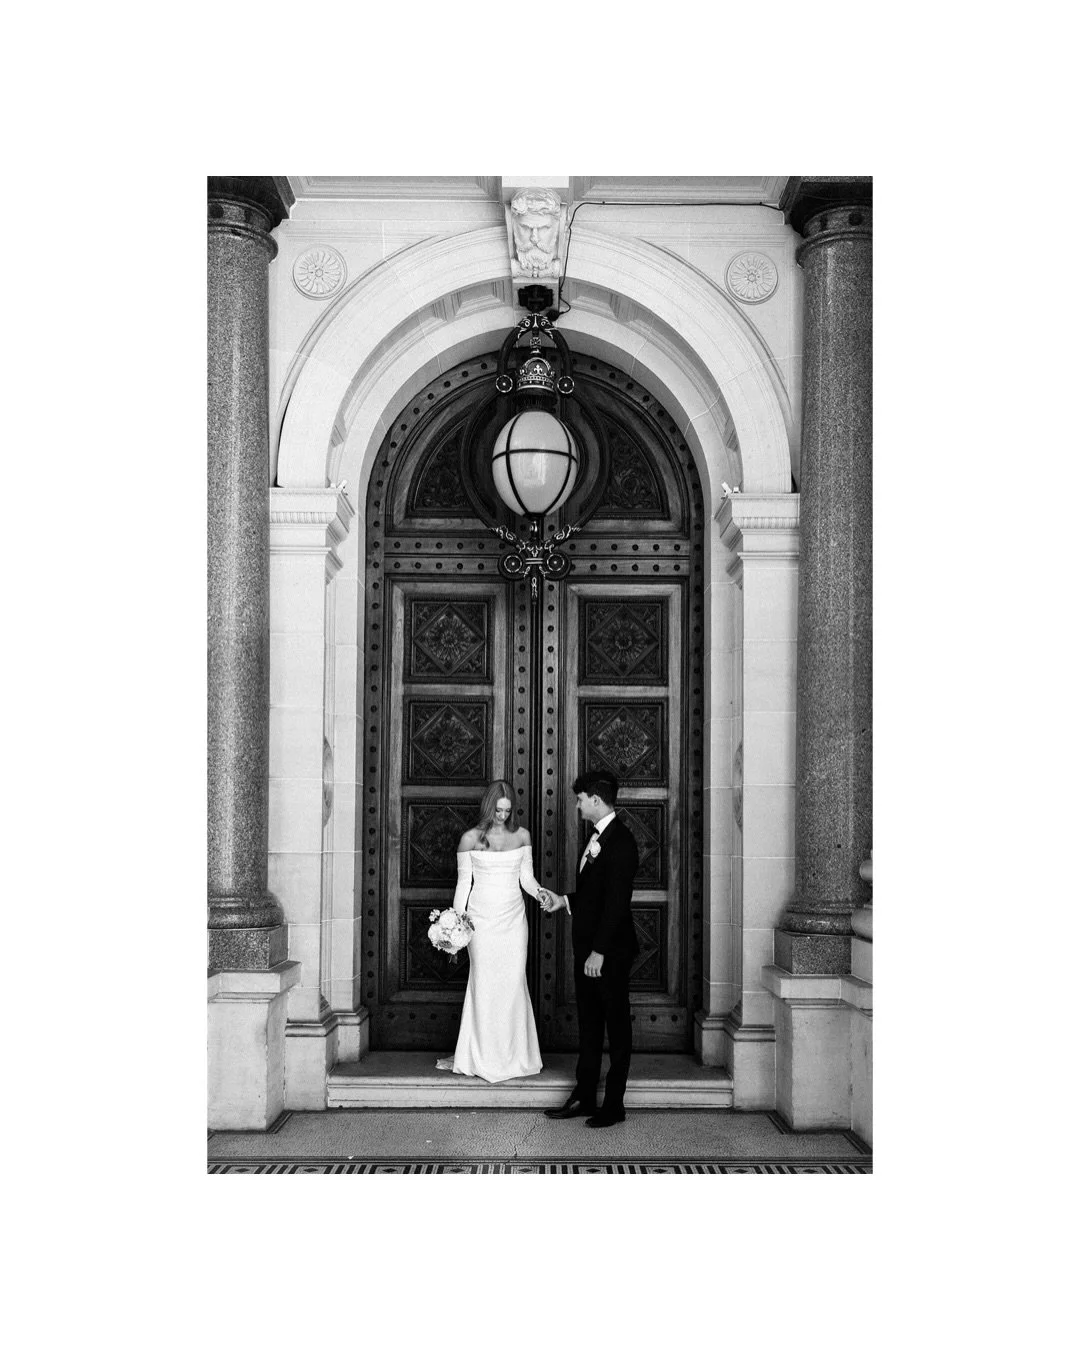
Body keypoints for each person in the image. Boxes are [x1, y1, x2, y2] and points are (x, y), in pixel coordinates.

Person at [539, 771, 639, 1128]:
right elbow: (594, 896)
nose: (578, 806)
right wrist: (563, 901)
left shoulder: (622, 842)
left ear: (596, 800)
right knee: (590, 1024)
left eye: (580, 800)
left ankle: (613, 1105)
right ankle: (584, 1096)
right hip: (589, 951)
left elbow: (616, 903)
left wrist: (599, 952)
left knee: (617, 1028)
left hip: (609, 953)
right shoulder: (595, 837)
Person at [435, 781, 544, 1083]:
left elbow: (526, 878)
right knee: (484, 984)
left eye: (507, 811)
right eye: (498, 810)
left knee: (512, 983)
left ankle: (514, 1056)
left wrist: (541, 894)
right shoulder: (470, 838)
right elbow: (463, 884)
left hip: (513, 921)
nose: (503, 816)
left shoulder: (522, 836)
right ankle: (481, 1056)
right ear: (488, 807)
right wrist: (455, 925)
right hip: (480, 922)